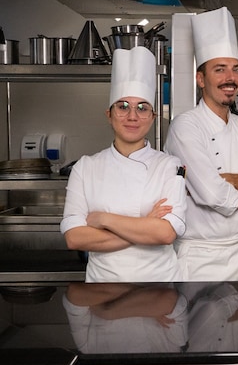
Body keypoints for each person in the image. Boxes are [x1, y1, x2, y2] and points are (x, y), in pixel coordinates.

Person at [164, 6, 238, 281]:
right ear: (200, 79)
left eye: (235, 70)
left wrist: (229, 179)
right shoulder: (185, 126)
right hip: (200, 258)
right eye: (220, 70)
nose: (230, 78)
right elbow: (214, 196)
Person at [61, 46, 187, 282]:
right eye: (123, 106)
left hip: (159, 289)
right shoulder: (86, 167)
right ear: (109, 114)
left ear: (153, 117)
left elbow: (166, 234)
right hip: (103, 288)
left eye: (142, 108)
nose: (132, 116)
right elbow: (74, 238)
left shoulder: (170, 166)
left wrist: (103, 220)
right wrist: (146, 225)